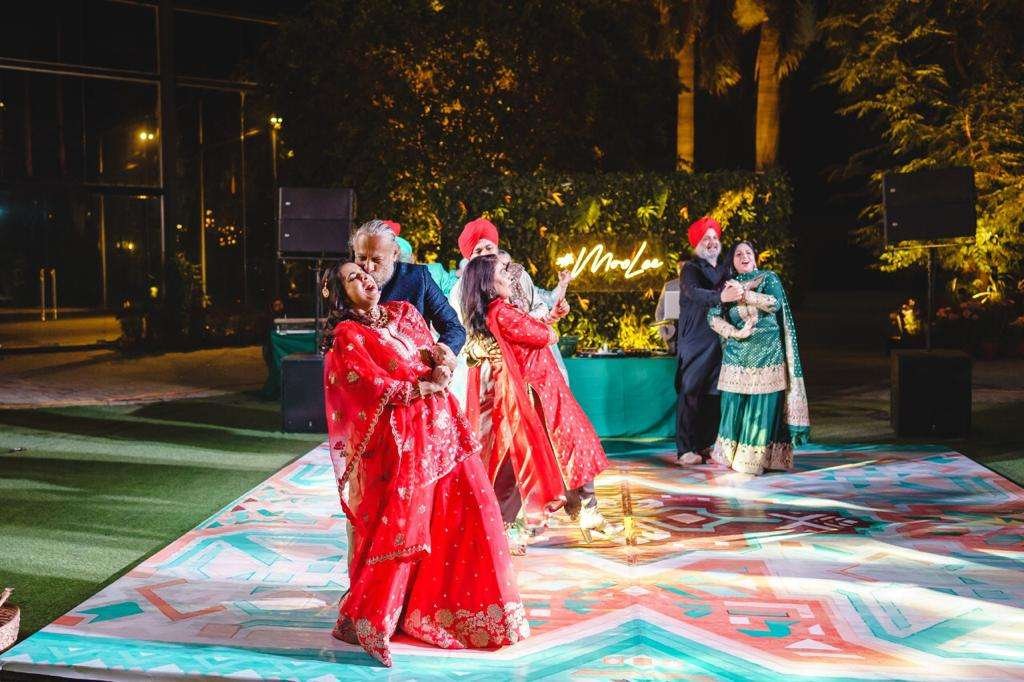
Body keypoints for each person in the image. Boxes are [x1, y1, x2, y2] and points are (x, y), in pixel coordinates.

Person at [321, 262, 529, 667]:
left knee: (474, 512)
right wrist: (417, 387)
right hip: (402, 443)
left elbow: (435, 350)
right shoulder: (349, 335)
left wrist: (444, 363)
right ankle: (378, 616)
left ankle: (461, 613)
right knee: (404, 528)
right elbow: (363, 384)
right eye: (352, 278)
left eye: (364, 271)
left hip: (446, 429)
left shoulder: (403, 312)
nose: (365, 277)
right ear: (340, 295)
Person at [460, 254, 616, 549]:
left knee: (567, 444)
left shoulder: (502, 311)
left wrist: (551, 316)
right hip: (534, 393)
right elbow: (545, 336)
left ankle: (584, 508)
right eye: (502, 270)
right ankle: (505, 526)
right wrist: (548, 326)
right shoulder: (502, 313)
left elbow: (531, 328)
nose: (510, 275)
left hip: (540, 389)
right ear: (488, 283)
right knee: (530, 458)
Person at [708, 242, 809, 475]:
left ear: (755, 258)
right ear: (732, 261)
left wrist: (745, 294)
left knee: (762, 408)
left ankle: (756, 459)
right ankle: (730, 455)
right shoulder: (727, 286)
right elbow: (712, 317)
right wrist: (735, 333)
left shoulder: (768, 278)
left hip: (767, 356)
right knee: (733, 407)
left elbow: (775, 303)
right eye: (738, 254)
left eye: (748, 253)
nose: (744, 256)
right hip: (736, 357)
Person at [675, 216, 744, 466]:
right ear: (697, 243)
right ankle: (685, 449)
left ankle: (705, 443)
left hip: (720, 340)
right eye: (706, 238)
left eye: (715, 237)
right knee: (691, 392)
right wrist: (721, 297)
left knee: (715, 393)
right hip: (695, 339)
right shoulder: (690, 269)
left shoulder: (726, 268)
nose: (712, 242)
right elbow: (695, 293)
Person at [351, 219, 466, 355]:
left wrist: (441, 355)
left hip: (413, 364)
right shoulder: (346, 281)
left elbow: (453, 327)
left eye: (377, 260)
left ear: (394, 254)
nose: (368, 267)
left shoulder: (418, 278)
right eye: (361, 258)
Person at [654, 260, 684, 354]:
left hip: (694, 337)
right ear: (677, 270)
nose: (682, 270)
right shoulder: (669, 286)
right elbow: (659, 312)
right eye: (680, 267)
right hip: (673, 336)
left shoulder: (699, 286)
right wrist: (664, 334)